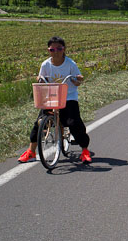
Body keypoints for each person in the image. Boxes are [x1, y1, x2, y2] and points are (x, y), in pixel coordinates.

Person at [18, 36, 92, 164]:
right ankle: (31, 151)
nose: (56, 52)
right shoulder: (46, 64)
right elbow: (40, 78)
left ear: (64, 49)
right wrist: (40, 79)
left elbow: (78, 79)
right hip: (51, 97)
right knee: (40, 122)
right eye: (52, 49)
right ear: (49, 50)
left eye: (59, 48)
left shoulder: (70, 64)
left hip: (68, 97)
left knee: (74, 122)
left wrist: (77, 79)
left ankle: (85, 150)